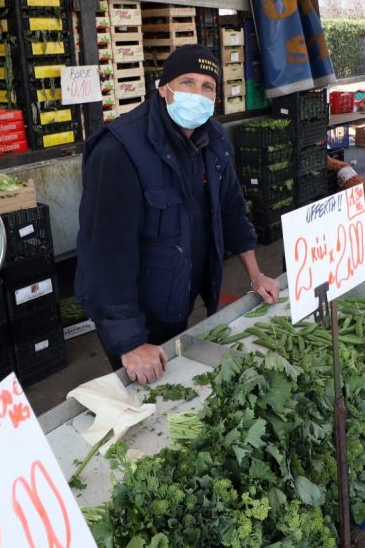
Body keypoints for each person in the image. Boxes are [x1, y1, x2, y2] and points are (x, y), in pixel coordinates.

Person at [75, 45, 280, 384]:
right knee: (146, 394)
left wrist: (255, 275)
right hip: (135, 309)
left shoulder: (213, 140)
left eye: (207, 86)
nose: (196, 94)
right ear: (163, 88)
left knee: (177, 383)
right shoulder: (119, 150)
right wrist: (129, 341)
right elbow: (105, 253)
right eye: (187, 82)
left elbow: (232, 209)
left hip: (178, 295)